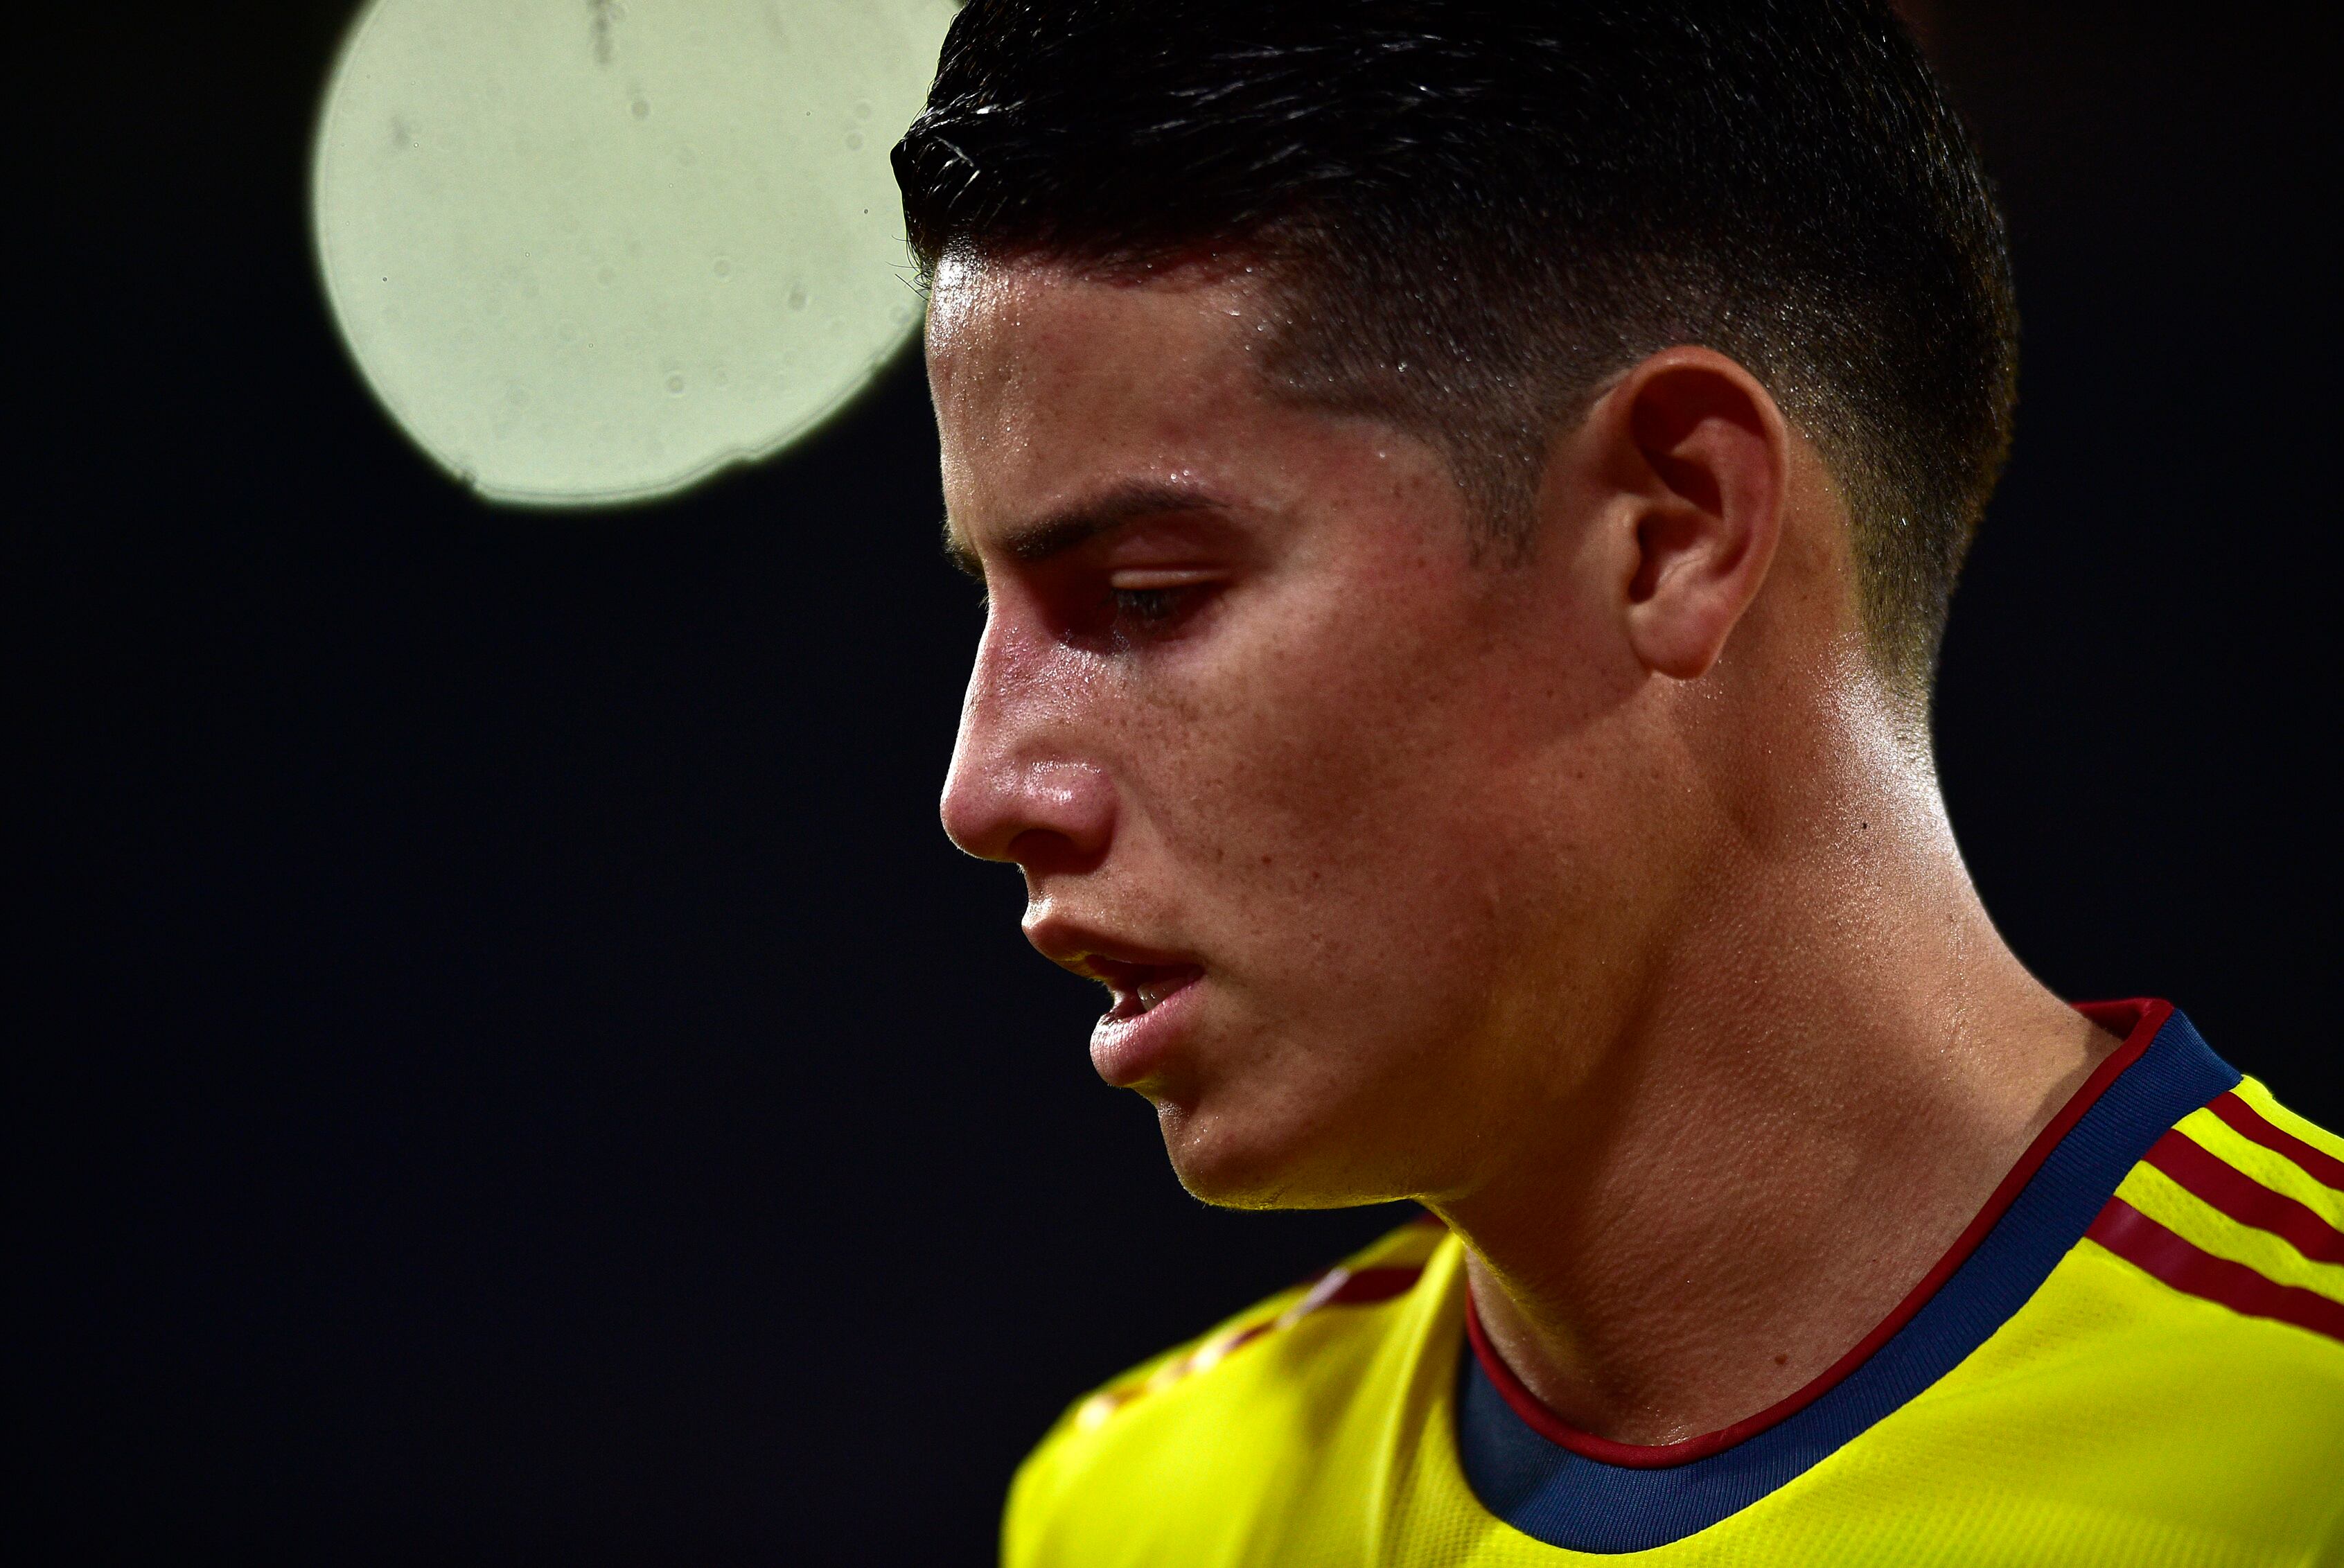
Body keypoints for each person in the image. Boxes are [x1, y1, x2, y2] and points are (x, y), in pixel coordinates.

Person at [892, 1, 2344, 1560]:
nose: (982, 788)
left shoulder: (2297, 1443)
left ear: (1673, 528)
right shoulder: (1130, 1513)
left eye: (1147, 593)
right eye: (990, 603)